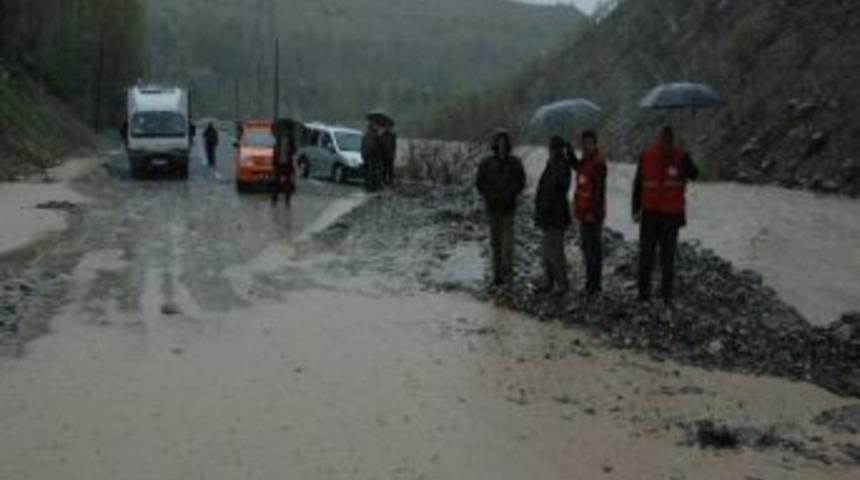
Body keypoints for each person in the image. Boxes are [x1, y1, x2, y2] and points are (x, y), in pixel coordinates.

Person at [632, 126, 699, 305]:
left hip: (666, 215)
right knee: (653, 256)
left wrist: (686, 159)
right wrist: (635, 209)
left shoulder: (679, 156)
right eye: (666, 140)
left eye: (669, 140)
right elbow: (638, 183)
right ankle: (652, 296)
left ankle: (658, 296)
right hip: (655, 214)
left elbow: (694, 174)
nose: (667, 143)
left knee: (661, 257)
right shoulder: (649, 155)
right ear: (661, 139)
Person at [476, 130, 526, 286]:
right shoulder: (486, 162)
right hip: (492, 208)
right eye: (499, 141)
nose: (501, 144)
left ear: (508, 144)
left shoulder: (515, 162)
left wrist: (512, 193)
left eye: (504, 141)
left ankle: (508, 275)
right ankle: (497, 276)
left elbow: (521, 182)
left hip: (509, 208)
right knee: (495, 243)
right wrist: (488, 195)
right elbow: (480, 182)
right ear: (495, 144)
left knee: (508, 245)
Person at [534, 136, 573, 295]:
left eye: (554, 148)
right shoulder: (551, 164)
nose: (551, 150)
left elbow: (557, 190)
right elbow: (543, 189)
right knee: (547, 251)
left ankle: (562, 283)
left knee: (556, 251)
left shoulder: (562, 165)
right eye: (551, 148)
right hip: (548, 214)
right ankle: (548, 281)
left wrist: (543, 209)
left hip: (557, 215)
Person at [572, 130, 607, 298]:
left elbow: (599, 191)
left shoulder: (598, 163)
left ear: (595, 144)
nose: (587, 145)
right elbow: (578, 169)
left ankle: (595, 285)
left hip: (593, 214)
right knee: (587, 249)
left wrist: (592, 212)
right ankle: (590, 283)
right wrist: (570, 153)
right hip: (583, 212)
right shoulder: (585, 161)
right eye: (584, 142)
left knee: (594, 250)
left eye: (590, 143)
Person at [271, 120, 296, 207]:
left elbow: (274, 150)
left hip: (279, 163)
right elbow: (293, 150)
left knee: (276, 182)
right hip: (287, 164)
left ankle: (274, 200)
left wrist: (274, 162)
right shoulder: (291, 137)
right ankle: (287, 201)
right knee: (287, 183)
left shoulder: (278, 136)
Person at [361, 121, 383, 192]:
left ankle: (369, 186)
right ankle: (372, 186)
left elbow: (363, 146)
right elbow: (377, 146)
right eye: (375, 126)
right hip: (372, 156)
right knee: (372, 172)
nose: (376, 127)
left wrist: (363, 155)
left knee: (369, 172)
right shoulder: (375, 136)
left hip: (368, 156)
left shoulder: (366, 135)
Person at [380, 121, 398, 186]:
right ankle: (383, 180)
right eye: (386, 127)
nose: (387, 128)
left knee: (390, 169)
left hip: (390, 155)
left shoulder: (393, 135)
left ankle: (391, 181)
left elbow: (394, 145)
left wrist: (394, 153)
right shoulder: (382, 135)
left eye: (388, 127)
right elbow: (380, 145)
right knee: (384, 169)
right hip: (383, 155)